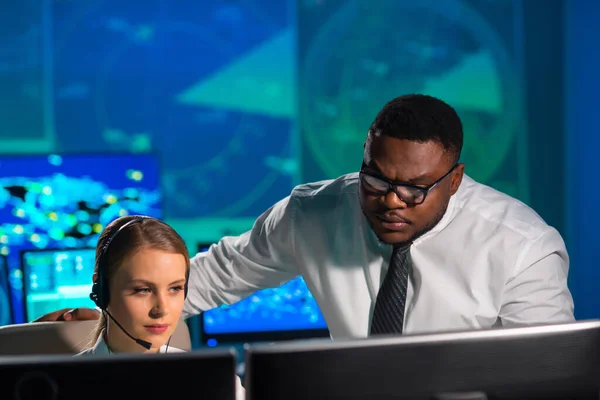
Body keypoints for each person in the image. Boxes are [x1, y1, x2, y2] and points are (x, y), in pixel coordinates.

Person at [38, 94, 575, 340]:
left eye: (415, 190)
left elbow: (549, 375)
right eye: (377, 179)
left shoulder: (523, 247)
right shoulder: (313, 212)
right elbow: (216, 277)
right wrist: (110, 313)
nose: (391, 200)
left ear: (454, 181)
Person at [73, 215, 245, 399]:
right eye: (143, 290)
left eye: (175, 288)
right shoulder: (64, 384)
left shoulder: (217, 381)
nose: (162, 309)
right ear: (101, 291)